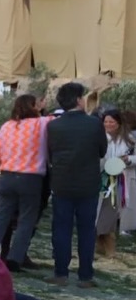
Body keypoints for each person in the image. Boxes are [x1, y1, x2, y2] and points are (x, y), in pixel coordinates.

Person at [45, 81, 106, 288]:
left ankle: (60, 273)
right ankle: (85, 276)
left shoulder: (54, 125)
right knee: (86, 230)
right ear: (79, 100)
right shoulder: (94, 124)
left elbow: (51, 153)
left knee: (61, 229)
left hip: (61, 183)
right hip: (88, 184)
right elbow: (102, 151)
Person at [0, 94, 51, 273]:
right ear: (34, 106)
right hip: (30, 177)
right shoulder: (42, 123)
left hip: (6, 176)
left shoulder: (7, 126)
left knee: (1, 219)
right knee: (26, 220)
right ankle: (15, 258)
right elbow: (59, 121)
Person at [96, 109, 136, 257]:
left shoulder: (129, 140)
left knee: (110, 216)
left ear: (118, 123)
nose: (108, 124)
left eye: (111, 121)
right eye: (106, 121)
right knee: (99, 217)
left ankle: (109, 251)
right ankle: (101, 249)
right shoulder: (99, 137)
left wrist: (128, 160)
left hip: (120, 183)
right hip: (102, 181)